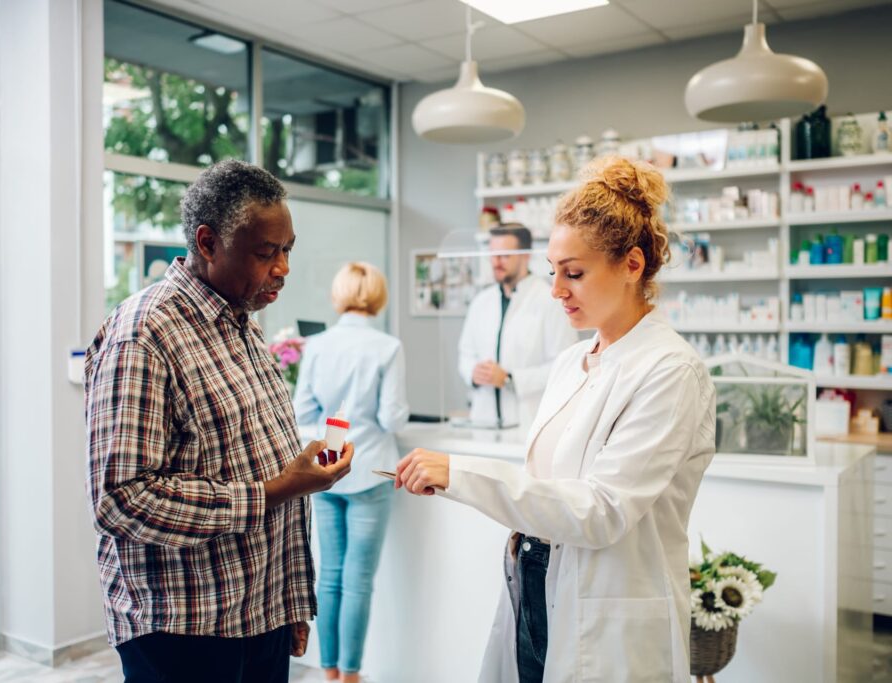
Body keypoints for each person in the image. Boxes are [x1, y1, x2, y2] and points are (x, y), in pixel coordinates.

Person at [395, 157, 716, 682]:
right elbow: (546, 484)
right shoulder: (572, 363)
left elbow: (602, 509)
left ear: (632, 264)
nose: (556, 290)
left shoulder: (670, 371)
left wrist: (463, 475)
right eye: (552, 272)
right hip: (536, 590)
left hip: (609, 612)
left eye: (575, 273)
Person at [85, 159, 354, 683]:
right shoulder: (143, 335)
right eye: (265, 253)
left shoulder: (244, 326)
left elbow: (261, 458)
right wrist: (274, 490)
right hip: (183, 633)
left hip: (259, 618)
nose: (283, 268)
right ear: (207, 243)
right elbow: (121, 498)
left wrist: (290, 600)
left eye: (287, 250)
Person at [293, 262, 409, 683]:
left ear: (339, 294)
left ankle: (328, 671)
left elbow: (302, 411)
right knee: (358, 579)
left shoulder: (317, 345)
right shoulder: (387, 347)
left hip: (327, 472)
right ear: (377, 295)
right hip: (371, 471)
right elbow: (392, 418)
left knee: (331, 576)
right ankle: (351, 676)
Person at [458, 224, 576, 430]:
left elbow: (564, 366)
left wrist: (510, 379)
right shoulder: (481, 302)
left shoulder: (550, 301)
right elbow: (465, 354)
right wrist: (473, 372)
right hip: (483, 422)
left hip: (528, 422)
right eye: (493, 255)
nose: (496, 262)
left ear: (526, 255)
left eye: (504, 255)